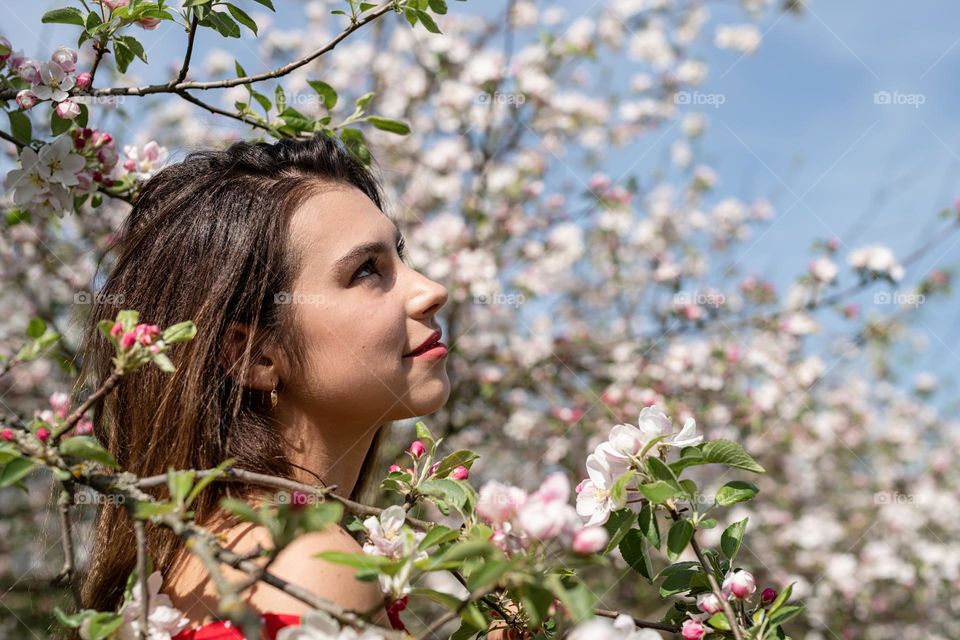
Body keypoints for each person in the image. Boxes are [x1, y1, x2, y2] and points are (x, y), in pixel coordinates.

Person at [75, 134, 452, 638]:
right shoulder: (315, 569)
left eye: (398, 256)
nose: (432, 291)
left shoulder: (185, 568)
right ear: (255, 356)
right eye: (367, 270)